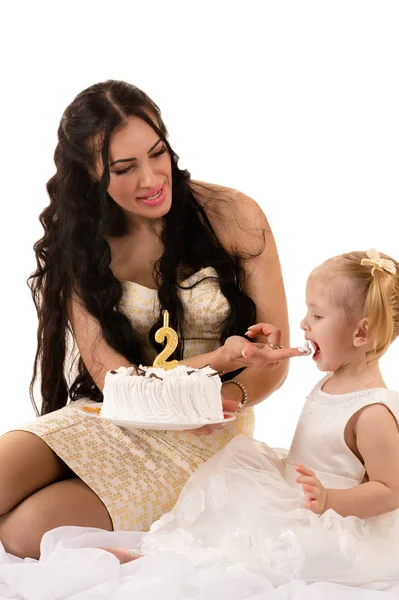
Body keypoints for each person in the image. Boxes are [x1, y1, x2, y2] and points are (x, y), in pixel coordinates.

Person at [0, 80, 305, 560]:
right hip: (116, 413)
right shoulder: (80, 241)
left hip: (205, 438)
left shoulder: (234, 216)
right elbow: (112, 377)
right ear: (88, 174)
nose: (150, 178)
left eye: (157, 153)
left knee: (23, 533)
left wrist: (222, 396)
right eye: (124, 168)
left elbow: (275, 361)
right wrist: (206, 374)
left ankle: (173, 549)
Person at [105, 248, 399, 586]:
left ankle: (183, 564)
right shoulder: (335, 378)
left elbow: (390, 489)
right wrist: (267, 355)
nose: (303, 324)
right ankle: (165, 555)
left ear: (361, 334)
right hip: (297, 494)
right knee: (234, 512)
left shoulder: (373, 412)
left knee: (262, 554)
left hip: (335, 518)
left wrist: (332, 500)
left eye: (317, 316)